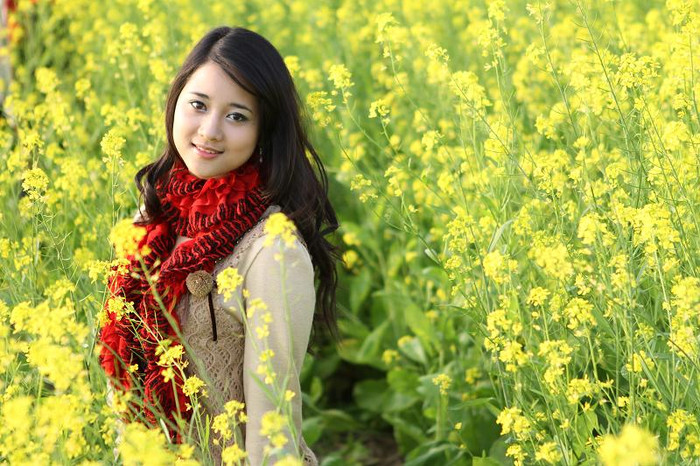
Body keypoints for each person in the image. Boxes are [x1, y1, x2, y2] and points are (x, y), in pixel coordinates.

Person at [98, 26, 340, 465]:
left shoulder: (272, 250)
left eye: (237, 116)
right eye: (199, 105)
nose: (210, 131)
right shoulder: (150, 219)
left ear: (264, 131)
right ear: (175, 102)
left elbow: (273, 431)